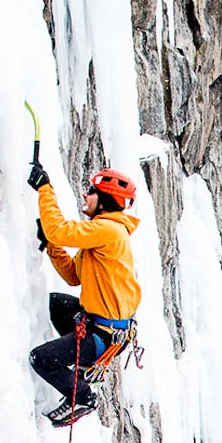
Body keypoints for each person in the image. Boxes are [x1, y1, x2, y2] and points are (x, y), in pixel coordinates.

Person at [26, 162, 141, 426]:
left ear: (105, 200)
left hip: (102, 334)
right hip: (100, 325)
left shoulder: (108, 230)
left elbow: (59, 229)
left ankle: (84, 397)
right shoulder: (103, 232)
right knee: (51, 304)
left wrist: (45, 189)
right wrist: (52, 245)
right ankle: (76, 364)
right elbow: (72, 276)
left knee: (41, 358)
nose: (85, 195)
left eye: (91, 191)